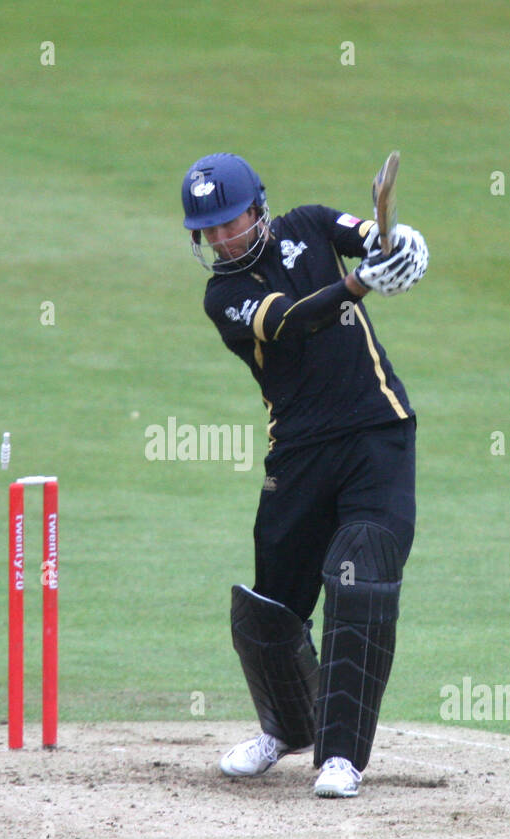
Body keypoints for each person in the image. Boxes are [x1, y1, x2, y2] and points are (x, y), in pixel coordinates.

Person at [181, 152, 428, 798]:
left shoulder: (312, 224)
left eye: (231, 221)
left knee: (360, 570)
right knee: (269, 610)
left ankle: (341, 756)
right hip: (298, 453)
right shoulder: (224, 296)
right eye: (209, 230)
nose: (222, 237)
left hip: (376, 432)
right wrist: (358, 285)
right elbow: (289, 321)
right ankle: (286, 726)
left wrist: (399, 246)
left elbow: (370, 238)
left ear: (258, 208)